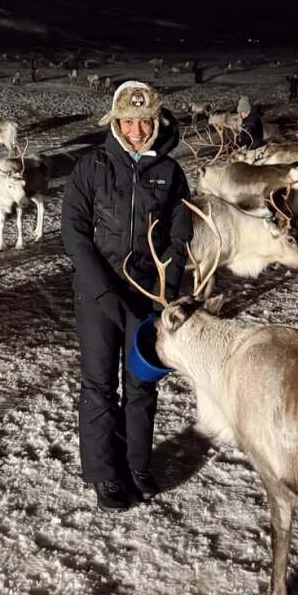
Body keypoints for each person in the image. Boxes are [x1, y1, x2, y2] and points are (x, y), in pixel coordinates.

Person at [61, 81, 192, 513]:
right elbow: (75, 233)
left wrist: (165, 291)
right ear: (115, 122)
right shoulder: (91, 168)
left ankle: (136, 466)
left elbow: (180, 234)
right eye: (129, 122)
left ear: (156, 123)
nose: (137, 131)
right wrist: (101, 290)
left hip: (147, 295)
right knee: (100, 385)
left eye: (145, 122)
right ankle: (104, 474)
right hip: (98, 295)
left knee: (141, 384)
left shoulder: (170, 173)